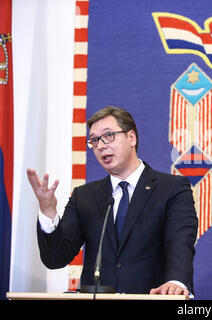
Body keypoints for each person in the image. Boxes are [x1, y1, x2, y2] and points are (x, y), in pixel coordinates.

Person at [27, 106, 198, 296]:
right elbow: (55, 258)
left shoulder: (172, 188)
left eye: (108, 136)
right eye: (94, 140)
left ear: (131, 138)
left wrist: (175, 282)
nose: (100, 146)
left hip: (152, 298)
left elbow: (180, 241)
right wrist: (48, 211)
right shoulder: (84, 196)